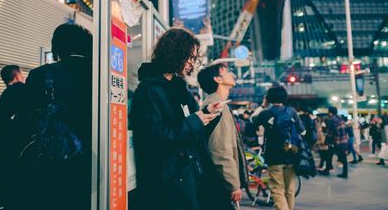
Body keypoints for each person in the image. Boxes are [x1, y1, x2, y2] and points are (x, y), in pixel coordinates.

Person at [129, 28, 222, 210]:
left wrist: (207, 114)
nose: (191, 63)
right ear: (174, 52)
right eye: (188, 56)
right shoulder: (148, 89)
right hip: (166, 184)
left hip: (188, 177)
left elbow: (192, 125)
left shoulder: (179, 88)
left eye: (193, 58)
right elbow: (154, 136)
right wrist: (196, 120)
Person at [22, 23, 93, 209]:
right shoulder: (102, 74)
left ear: (58, 46)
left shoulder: (41, 74)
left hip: (54, 159)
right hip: (95, 160)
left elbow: (26, 118)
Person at [197, 63, 249, 210]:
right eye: (226, 71)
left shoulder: (215, 104)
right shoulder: (217, 106)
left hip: (213, 180)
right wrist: (233, 184)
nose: (231, 74)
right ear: (218, 79)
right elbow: (220, 149)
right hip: (217, 182)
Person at [253, 86, 305, 210]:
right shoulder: (291, 111)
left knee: (277, 189)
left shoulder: (266, 113)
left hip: (274, 156)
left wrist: (263, 105)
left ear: (268, 98)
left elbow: (252, 120)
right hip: (291, 154)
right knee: (289, 190)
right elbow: (303, 132)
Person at [0, 65, 26, 209]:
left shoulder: (5, 95)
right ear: (17, 76)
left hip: (3, 158)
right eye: (22, 75)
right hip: (16, 159)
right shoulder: (18, 90)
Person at [319, 107, 349, 179]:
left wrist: (326, 140)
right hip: (343, 140)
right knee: (342, 157)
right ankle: (344, 173)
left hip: (336, 141)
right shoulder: (340, 118)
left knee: (329, 155)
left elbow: (331, 132)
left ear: (330, 113)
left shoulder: (332, 120)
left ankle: (327, 170)